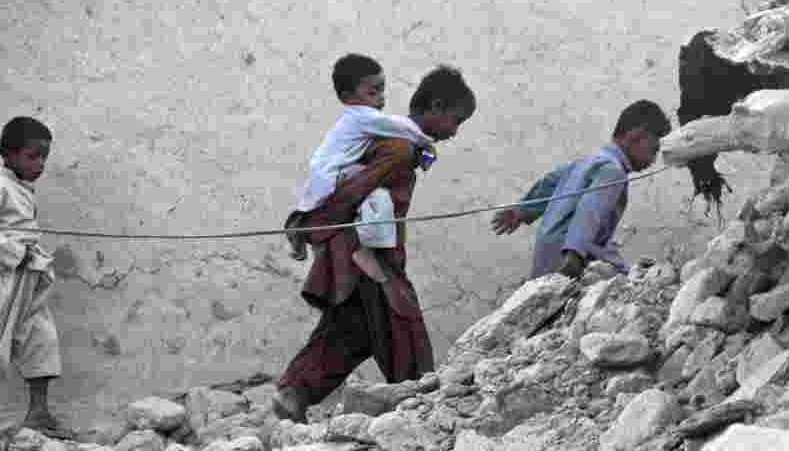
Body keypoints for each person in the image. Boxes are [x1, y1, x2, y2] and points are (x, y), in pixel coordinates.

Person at [272, 65, 476, 422]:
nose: (455, 133)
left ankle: (296, 392)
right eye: (455, 122)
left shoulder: (404, 144)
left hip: (369, 252)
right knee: (403, 324)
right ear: (436, 106)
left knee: (354, 331)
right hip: (368, 256)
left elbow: (420, 157)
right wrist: (311, 226)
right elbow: (353, 192)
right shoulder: (397, 147)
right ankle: (421, 409)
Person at [0, 116, 70, 443]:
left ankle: (39, 413)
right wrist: (15, 252)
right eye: (34, 155)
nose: (41, 163)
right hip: (1, 282)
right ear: (10, 154)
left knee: (41, 337)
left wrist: (28, 258)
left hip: (26, 279)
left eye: (45, 156)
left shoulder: (22, 189)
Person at [285, 53, 436, 284]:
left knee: (365, 201)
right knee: (377, 196)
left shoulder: (355, 118)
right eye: (372, 92)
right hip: (334, 176)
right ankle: (364, 248)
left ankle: (304, 234)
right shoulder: (362, 116)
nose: (380, 98)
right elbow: (398, 126)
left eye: (382, 90)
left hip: (326, 176)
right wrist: (427, 144)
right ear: (348, 97)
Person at [491, 100, 671, 279]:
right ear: (636, 136)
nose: (653, 160)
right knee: (630, 276)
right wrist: (575, 253)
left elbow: (550, 184)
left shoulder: (587, 162)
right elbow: (590, 210)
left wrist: (522, 210)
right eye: (653, 150)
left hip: (545, 258)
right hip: (567, 261)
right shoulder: (613, 173)